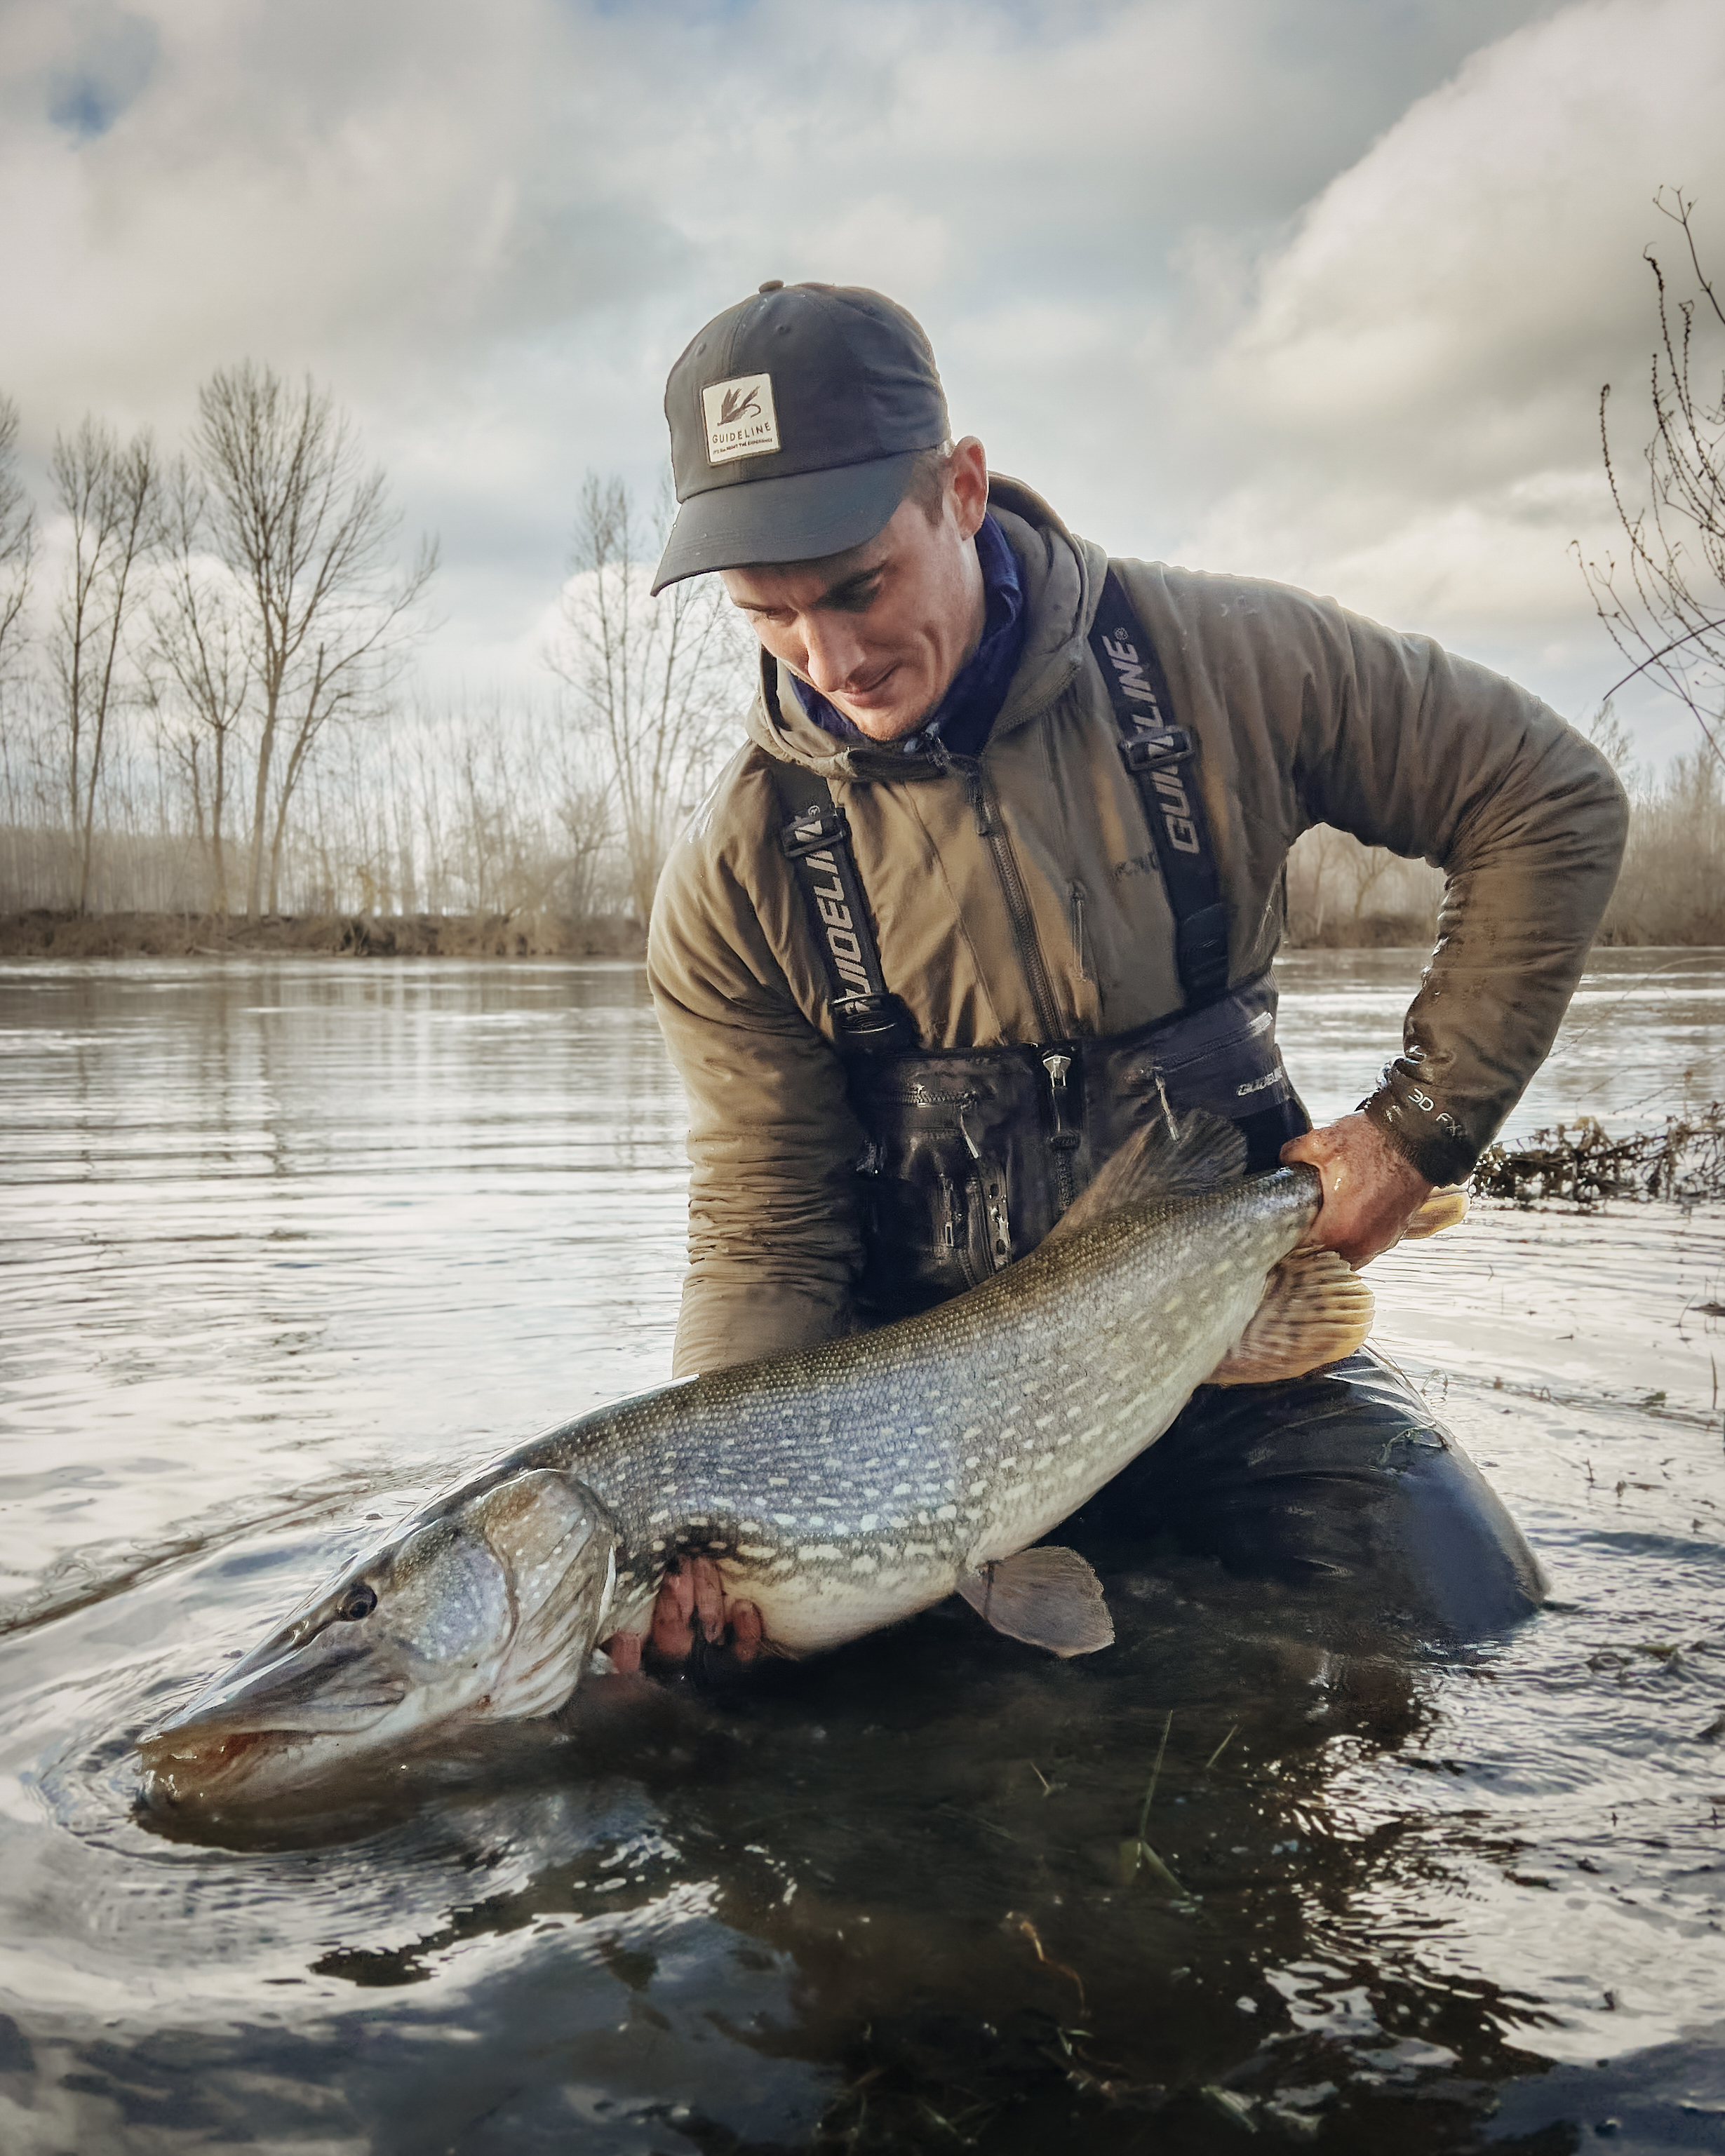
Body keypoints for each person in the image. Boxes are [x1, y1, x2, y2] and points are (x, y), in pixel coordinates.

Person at [612, 279, 1627, 1673]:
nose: (829, 657)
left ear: (961, 490)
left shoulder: (1224, 665)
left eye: (858, 586)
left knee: (1466, 1628)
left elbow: (1548, 798)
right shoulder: (739, 882)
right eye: (767, 615)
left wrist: (1417, 1126)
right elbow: (770, 1244)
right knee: (759, 1757)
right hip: (934, 1446)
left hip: (1238, 1346)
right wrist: (717, 1516)